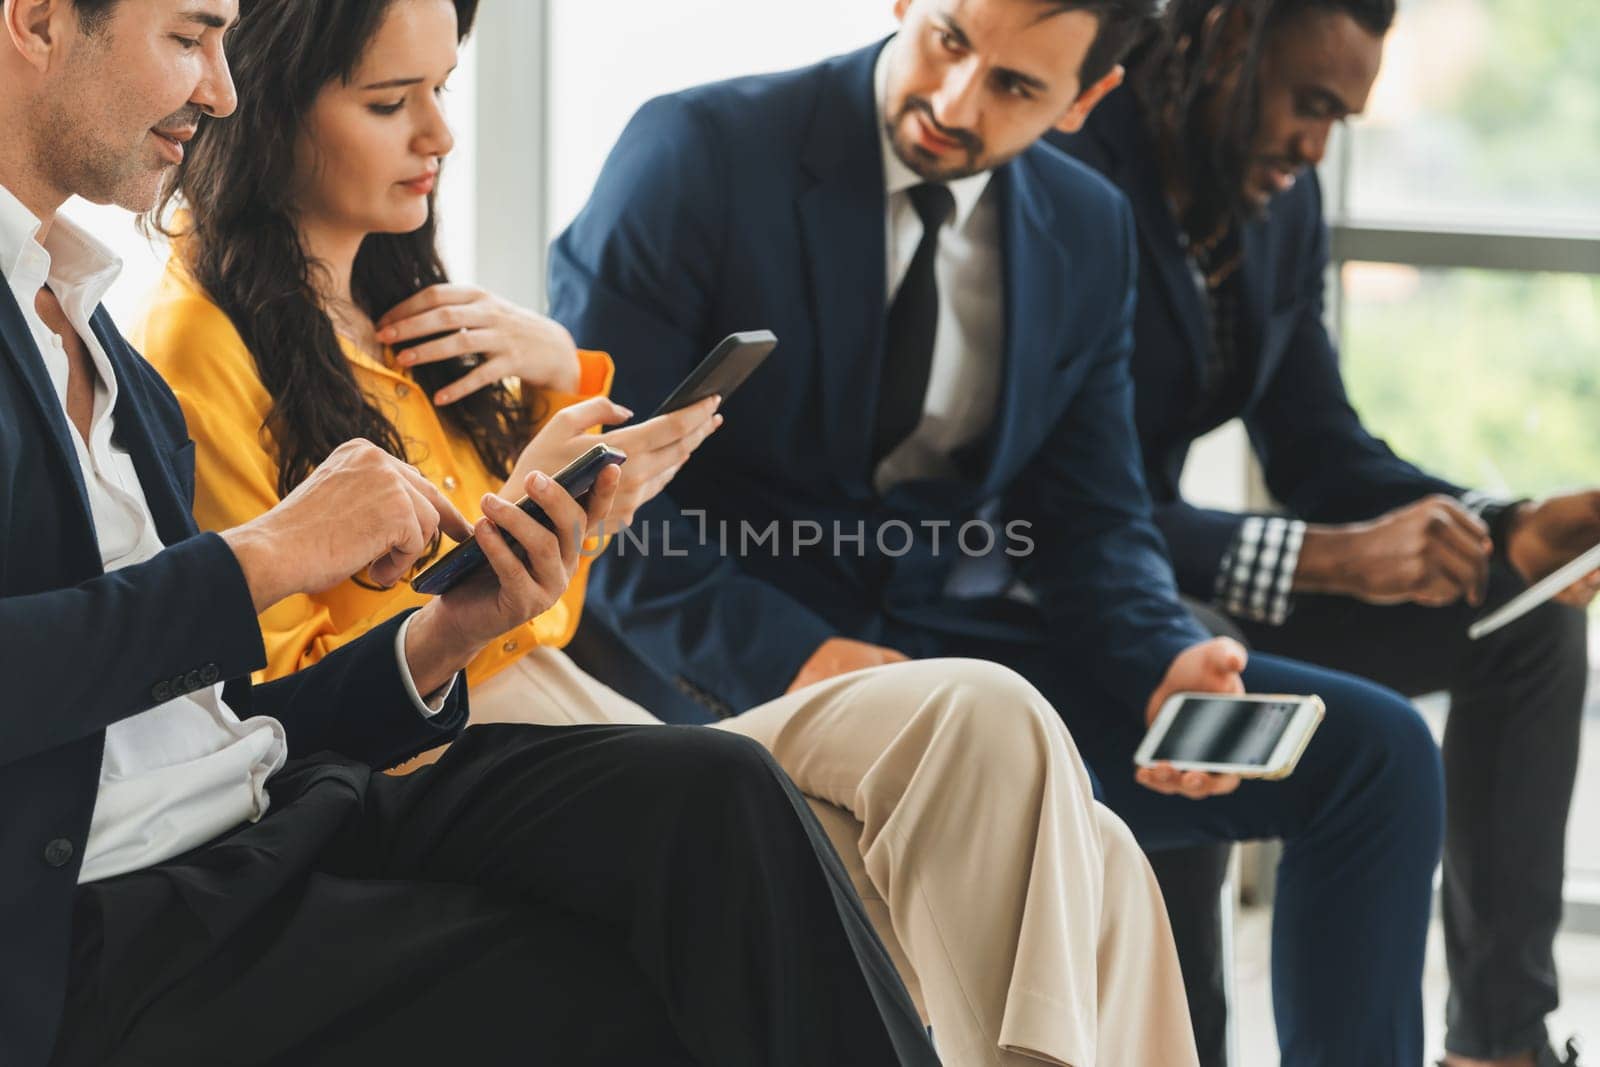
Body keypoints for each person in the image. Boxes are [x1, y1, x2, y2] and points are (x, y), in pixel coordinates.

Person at [136, 1, 1204, 1063]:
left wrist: (572, 467)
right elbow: (280, 695)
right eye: (390, 102)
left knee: (1044, 779)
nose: (440, 135)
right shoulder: (201, 344)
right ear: (268, 106)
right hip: (461, 761)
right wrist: (506, 549)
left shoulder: (426, 318)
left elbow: (545, 609)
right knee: (1029, 778)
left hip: (586, 719)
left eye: (442, 92)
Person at [0, 0, 946, 1064]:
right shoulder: (174, 342)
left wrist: (450, 629)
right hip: (122, 909)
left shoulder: (100, 344)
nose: (221, 90)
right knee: (640, 982)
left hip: (271, 805)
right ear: (37, 21)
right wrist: (263, 554)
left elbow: (213, 719)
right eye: (188, 38)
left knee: (716, 792)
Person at [547, 0, 1452, 1063]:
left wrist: (1164, 657)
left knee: (1376, 754)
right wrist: (803, 657)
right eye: (947, 38)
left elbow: (1092, 517)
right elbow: (595, 498)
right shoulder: (696, 153)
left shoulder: (1083, 225)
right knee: (967, 759)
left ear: (1087, 99)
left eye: (1018, 87)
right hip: (714, 660)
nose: (952, 101)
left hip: (940, 650)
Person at [1048, 2, 1592, 1064]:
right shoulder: (1071, 167)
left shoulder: (1277, 208)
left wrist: (1509, 524)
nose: (1315, 145)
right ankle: (1181, 1041)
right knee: (1198, 654)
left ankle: (1498, 1043)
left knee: (1523, 632)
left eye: (1340, 119)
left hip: (1192, 566)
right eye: (1307, 104)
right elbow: (1065, 504)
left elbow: (1316, 447)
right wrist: (1323, 557)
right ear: (1217, 37)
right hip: (1071, 583)